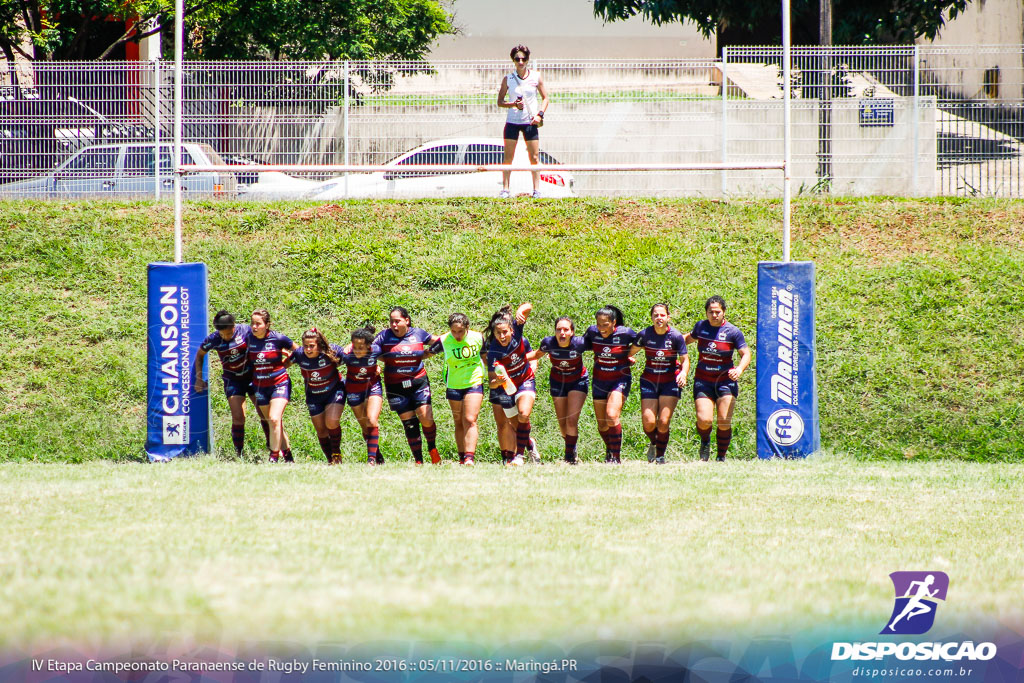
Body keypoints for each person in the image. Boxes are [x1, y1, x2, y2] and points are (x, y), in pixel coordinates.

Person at [193, 309, 272, 458]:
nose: (226, 337)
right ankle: (239, 454)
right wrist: (198, 378)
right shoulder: (214, 339)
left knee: (264, 414)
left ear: (234, 326)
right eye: (223, 334)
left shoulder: (245, 331)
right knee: (238, 417)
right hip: (233, 380)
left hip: (253, 377)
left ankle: (272, 449)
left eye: (229, 333)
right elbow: (200, 354)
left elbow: (266, 339)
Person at [684, 295, 751, 461]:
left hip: (725, 381)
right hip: (703, 380)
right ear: (706, 313)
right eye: (710, 312)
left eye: (717, 312)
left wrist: (740, 369)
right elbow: (686, 339)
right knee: (704, 419)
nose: (714, 315)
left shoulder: (733, 332)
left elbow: (746, 353)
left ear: (724, 312)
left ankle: (721, 457)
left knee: (723, 421)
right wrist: (667, 341)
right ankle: (705, 441)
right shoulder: (701, 327)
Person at [374, 307, 442, 465]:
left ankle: (432, 449)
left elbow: (441, 342)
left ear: (407, 320)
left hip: (418, 382)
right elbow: (368, 348)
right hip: (395, 386)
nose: (394, 325)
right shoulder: (384, 336)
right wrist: (380, 363)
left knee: (426, 418)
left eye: (397, 321)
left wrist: (430, 352)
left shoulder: (418, 333)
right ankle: (419, 460)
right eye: (391, 321)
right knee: (410, 424)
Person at [630, 304, 689, 464]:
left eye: (662, 315)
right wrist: (627, 358)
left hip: (670, 381)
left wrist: (683, 373)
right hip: (649, 380)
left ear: (668, 317)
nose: (659, 318)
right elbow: (630, 351)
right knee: (648, 423)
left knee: (663, 421)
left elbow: (685, 360)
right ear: (652, 318)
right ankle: (655, 442)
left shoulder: (675, 336)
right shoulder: (645, 335)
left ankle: (661, 456)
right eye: (656, 315)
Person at [583, 305, 639, 464]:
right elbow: (583, 345)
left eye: (605, 324)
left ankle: (616, 457)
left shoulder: (625, 333)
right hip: (600, 380)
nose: (601, 328)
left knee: (612, 415)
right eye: (599, 324)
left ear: (614, 322)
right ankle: (609, 449)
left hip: (619, 379)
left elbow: (642, 343)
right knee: (602, 425)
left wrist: (629, 355)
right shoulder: (592, 332)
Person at [528, 316, 588, 464]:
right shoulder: (549, 343)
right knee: (563, 424)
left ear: (572, 332)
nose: (562, 333)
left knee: (571, 420)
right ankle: (571, 449)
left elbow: (600, 349)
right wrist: (513, 360)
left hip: (577, 381)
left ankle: (569, 458)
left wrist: (625, 358)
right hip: (558, 381)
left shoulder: (580, 343)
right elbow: (536, 354)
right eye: (558, 330)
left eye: (566, 330)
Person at [484, 303, 538, 465]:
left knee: (524, 414)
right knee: (515, 425)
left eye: (505, 332)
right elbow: (492, 384)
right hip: (505, 389)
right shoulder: (493, 352)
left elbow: (529, 306)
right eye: (498, 333)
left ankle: (519, 456)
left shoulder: (517, 333)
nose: (502, 336)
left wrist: (522, 310)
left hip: (525, 381)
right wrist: (498, 381)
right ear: (494, 333)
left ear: (511, 330)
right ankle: (530, 444)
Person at [430, 313, 487, 466]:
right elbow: (427, 353)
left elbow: (487, 358)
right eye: (454, 331)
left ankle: (469, 457)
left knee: (469, 419)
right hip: (454, 384)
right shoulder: (444, 340)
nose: (457, 335)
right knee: (458, 421)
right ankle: (462, 457)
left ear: (467, 328)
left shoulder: (478, 337)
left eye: (460, 331)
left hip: (474, 381)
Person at [286, 328, 346, 464]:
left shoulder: (331, 352)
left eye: (312, 346)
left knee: (331, 422)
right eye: (305, 346)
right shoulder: (299, 354)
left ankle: (336, 454)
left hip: (334, 391)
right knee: (321, 431)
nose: (308, 349)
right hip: (313, 396)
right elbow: (284, 365)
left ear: (319, 344)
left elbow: (351, 359)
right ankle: (331, 460)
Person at [496, 44, 549, 199]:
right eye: (517, 59)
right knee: (508, 157)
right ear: (513, 60)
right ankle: (505, 189)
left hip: (529, 122)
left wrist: (540, 114)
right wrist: (513, 104)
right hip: (512, 121)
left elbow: (546, 98)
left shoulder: (536, 76)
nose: (521, 62)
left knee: (534, 157)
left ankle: (536, 190)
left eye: (523, 59)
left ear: (528, 59)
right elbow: (500, 101)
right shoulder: (508, 79)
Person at [246, 309, 297, 462]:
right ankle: (288, 458)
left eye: (258, 324)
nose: (254, 327)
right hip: (260, 386)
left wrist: (287, 363)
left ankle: (273, 457)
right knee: (273, 423)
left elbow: (299, 351)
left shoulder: (278, 338)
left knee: (274, 419)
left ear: (267, 325)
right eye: (252, 323)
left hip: (279, 383)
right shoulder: (248, 339)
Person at [340, 325, 385, 465]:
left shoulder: (376, 350)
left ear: (369, 346)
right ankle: (377, 455)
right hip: (353, 389)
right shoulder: (347, 355)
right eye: (355, 346)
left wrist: (379, 367)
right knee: (365, 427)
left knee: (372, 420)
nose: (357, 351)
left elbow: (391, 358)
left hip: (373, 387)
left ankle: (370, 460)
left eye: (361, 347)